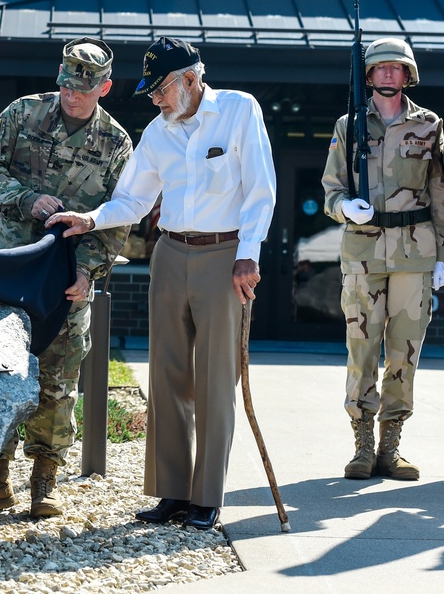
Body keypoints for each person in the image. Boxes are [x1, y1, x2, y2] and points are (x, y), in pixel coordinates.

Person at [47, 36, 276, 530]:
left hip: (225, 254)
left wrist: (248, 255)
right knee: (167, 376)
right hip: (170, 254)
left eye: (160, 90)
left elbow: (261, 191)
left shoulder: (239, 110)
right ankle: (173, 493)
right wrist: (88, 220)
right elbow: (130, 200)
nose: (155, 99)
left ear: (190, 79)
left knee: (216, 379)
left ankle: (206, 498)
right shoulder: (158, 132)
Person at [0, 37, 132, 518]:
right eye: (66, 85)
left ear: (105, 87)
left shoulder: (117, 143)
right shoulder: (24, 114)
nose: (72, 95)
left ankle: (45, 481)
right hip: (4, 263)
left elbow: (121, 216)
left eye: (84, 88)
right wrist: (23, 198)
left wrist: (87, 271)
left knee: (57, 380)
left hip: (64, 276)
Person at [321, 37, 444, 481]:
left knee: (405, 352)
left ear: (408, 74)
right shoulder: (349, 125)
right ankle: (361, 445)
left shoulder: (430, 125)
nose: (388, 75)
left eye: (396, 68)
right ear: (369, 76)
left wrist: (443, 254)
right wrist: (344, 208)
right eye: (380, 68)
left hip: (416, 253)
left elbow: (439, 193)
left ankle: (391, 445)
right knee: (362, 348)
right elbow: (331, 190)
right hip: (362, 250)